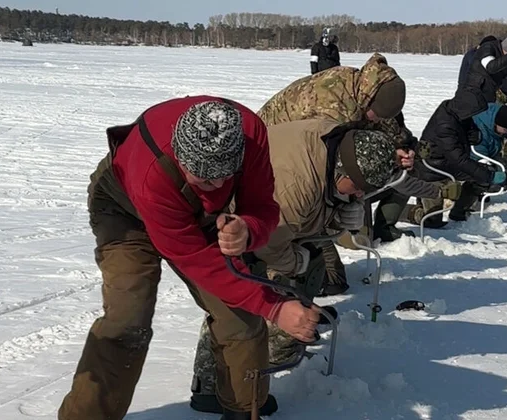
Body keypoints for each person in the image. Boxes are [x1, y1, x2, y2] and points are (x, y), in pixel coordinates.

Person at [57, 96, 322, 420]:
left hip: (192, 214)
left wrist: (247, 229)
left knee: (239, 316)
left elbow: (263, 208)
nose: (218, 187)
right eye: (206, 180)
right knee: (128, 320)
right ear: (182, 159)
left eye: (226, 177)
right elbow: (196, 259)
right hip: (124, 211)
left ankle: (244, 411)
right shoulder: (151, 173)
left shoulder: (248, 134)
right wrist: (274, 306)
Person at [190, 119, 400, 414]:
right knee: (243, 304)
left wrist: (340, 216)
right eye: (357, 189)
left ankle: (238, 374)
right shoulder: (295, 184)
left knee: (305, 272)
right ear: (343, 170)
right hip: (235, 228)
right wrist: (295, 262)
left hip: (269, 223)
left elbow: (318, 209)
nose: (359, 197)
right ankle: (220, 387)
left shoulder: (339, 150)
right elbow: (270, 244)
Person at [258, 52, 458, 246]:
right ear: (369, 100)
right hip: (273, 157)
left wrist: (403, 149)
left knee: (390, 171)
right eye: (375, 115)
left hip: (314, 156)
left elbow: (391, 129)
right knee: (347, 233)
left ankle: (391, 219)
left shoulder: (367, 88)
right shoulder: (334, 107)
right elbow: (330, 164)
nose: (376, 120)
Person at [407, 96, 507, 225]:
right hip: (432, 169)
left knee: (480, 177)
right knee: (431, 221)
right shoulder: (445, 124)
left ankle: (459, 211)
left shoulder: (464, 119)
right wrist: (491, 175)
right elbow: (460, 160)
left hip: (450, 165)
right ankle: (407, 211)